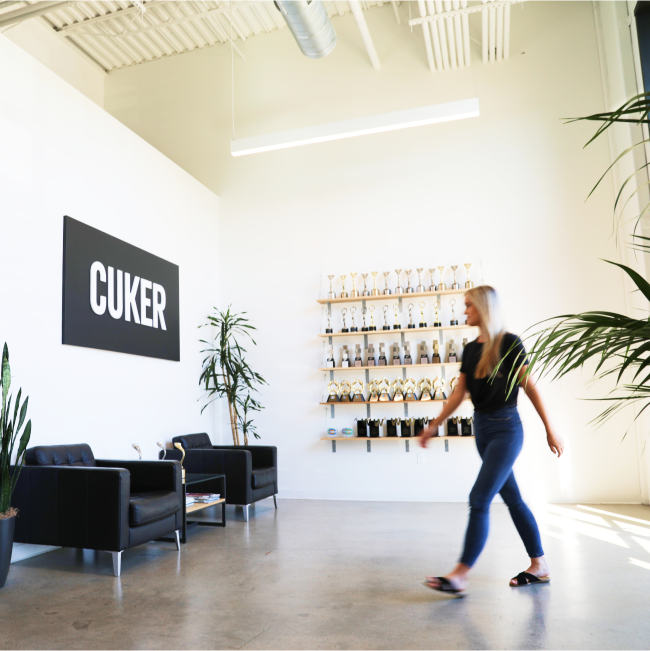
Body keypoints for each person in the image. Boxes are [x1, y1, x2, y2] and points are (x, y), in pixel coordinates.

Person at [419, 285, 564, 595]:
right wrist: (433, 426)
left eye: (469, 305)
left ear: (483, 308)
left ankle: (460, 573)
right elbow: (459, 394)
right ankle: (539, 566)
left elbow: (531, 387)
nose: (464, 311)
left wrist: (550, 429)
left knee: (479, 499)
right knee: (513, 500)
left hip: (507, 430)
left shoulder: (510, 343)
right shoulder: (470, 350)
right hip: (482, 431)